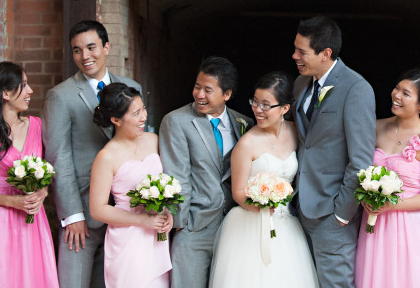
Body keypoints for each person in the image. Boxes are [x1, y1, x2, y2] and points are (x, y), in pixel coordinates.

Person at [43, 20, 142, 288]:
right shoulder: (60, 96)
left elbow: (139, 143)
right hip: (83, 215)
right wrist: (72, 215)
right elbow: (58, 158)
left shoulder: (132, 88)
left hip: (126, 211)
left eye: (91, 47)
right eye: (77, 50)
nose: (85, 56)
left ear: (106, 47)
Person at [209, 72, 318, 288]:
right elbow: (238, 192)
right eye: (255, 102)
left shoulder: (296, 133)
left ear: (285, 108)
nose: (258, 110)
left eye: (266, 105)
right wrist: (261, 204)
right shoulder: (247, 144)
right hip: (250, 224)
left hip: (287, 224)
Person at [292, 15, 376, 288]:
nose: (295, 56)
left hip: (332, 213)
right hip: (299, 208)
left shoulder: (356, 88)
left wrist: (342, 213)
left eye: (301, 51)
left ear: (326, 53)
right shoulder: (300, 84)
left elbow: (361, 160)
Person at [0, 61, 59, 288]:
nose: (30, 91)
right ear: (5, 93)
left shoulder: (37, 126)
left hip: (33, 220)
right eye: (23, 85)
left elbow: (46, 173)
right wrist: (11, 201)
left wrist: (42, 192)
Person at [159, 56, 252, 288]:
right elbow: (176, 173)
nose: (199, 94)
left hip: (235, 226)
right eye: (197, 87)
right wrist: (181, 223)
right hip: (194, 226)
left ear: (227, 94)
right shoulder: (176, 121)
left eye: (208, 90)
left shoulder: (245, 123)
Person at [355, 68, 420, 288]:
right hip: (373, 221)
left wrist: (391, 205)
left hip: (408, 227)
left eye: (406, 93)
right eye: (397, 88)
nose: (396, 95)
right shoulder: (377, 127)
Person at [89, 83, 172, 288]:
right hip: (128, 239)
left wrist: (168, 212)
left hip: (157, 236)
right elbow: (97, 209)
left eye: (143, 108)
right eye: (135, 113)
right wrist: (142, 220)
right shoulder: (106, 156)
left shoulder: (154, 140)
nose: (143, 116)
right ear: (116, 120)